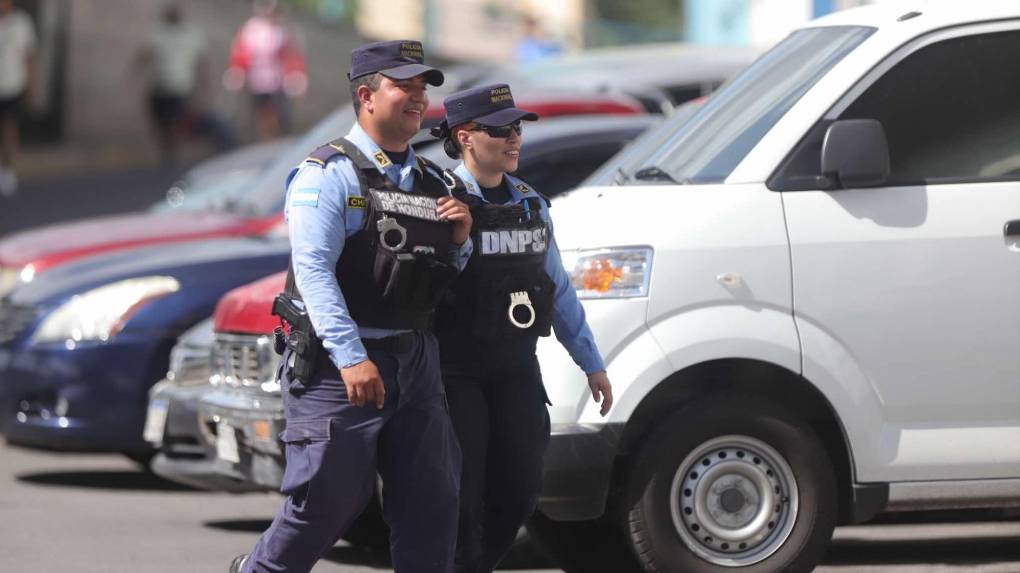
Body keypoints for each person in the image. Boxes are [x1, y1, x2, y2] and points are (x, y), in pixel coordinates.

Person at [230, 39, 473, 573]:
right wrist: (351, 356)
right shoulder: (329, 173)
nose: (417, 97)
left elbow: (441, 274)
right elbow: (313, 272)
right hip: (338, 369)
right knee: (324, 505)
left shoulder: (435, 181)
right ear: (366, 96)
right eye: (403, 86)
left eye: (422, 88)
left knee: (432, 507)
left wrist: (460, 241)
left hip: (415, 361)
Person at [431, 84, 613, 572]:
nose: (513, 139)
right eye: (500, 130)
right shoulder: (440, 200)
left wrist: (591, 362)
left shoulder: (532, 203)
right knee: (462, 495)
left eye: (516, 128)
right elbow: (424, 285)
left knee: (520, 492)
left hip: (515, 367)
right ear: (465, 137)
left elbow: (558, 288)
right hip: (455, 371)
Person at [134, 2, 222, 163]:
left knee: (176, 122)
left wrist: (204, 86)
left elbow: (201, 62)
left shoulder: (192, 34)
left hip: (181, 87)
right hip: (159, 87)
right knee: (161, 124)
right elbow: (145, 54)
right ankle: (167, 153)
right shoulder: (158, 32)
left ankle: (173, 154)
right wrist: (135, 72)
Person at [223, 0, 307, 141]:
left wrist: (295, 76)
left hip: (277, 83)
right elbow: (240, 54)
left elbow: (291, 56)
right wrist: (237, 72)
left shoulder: (283, 30)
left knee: (280, 117)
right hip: (257, 82)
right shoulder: (251, 29)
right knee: (262, 117)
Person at [0, 0, 36, 197]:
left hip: (13, 85)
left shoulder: (21, 23)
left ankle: (7, 169)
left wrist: (31, 84)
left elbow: (28, 55)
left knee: (9, 128)